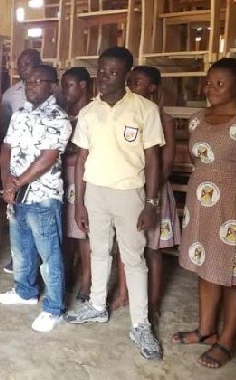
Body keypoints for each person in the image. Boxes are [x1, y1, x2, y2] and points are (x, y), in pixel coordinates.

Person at [63, 47, 164, 361]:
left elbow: (152, 158)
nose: (103, 77)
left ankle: (140, 324)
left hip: (129, 194)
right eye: (101, 70)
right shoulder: (90, 112)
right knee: (98, 250)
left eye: (111, 72)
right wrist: (80, 202)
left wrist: (150, 202)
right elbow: (81, 159)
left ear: (127, 75)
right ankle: (96, 306)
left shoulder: (145, 109)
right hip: (95, 192)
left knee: (134, 258)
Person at [171, 58, 236, 369]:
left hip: (232, 205)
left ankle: (226, 340)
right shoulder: (198, 119)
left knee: (232, 274)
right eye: (209, 82)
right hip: (202, 203)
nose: (210, 88)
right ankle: (206, 329)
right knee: (207, 268)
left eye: (219, 83)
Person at [0, 65, 72, 332]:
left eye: (38, 82)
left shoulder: (58, 117)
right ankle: (25, 292)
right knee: (20, 248)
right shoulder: (19, 114)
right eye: (28, 82)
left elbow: (47, 158)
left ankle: (54, 308)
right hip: (16, 193)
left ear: (52, 85)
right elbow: (6, 148)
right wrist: (7, 179)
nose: (31, 86)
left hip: (43, 196)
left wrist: (16, 183)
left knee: (49, 254)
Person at [110, 66, 181, 324]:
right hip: (128, 190)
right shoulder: (125, 113)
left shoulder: (164, 119)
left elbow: (167, 163)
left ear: (152, 88)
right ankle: (122, 294)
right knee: (126, 247)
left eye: (137, 83)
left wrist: (147, 192)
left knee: (152, 250)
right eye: (129, 81)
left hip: (153, 193)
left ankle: (152, 304)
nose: (131, 86)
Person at [0, 49, 43, 274]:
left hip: (43, 163)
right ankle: (19, 257)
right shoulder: (9, 95)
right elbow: (5, 130)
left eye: (29, 63)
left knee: (40, 215)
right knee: (16, 212)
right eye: (21, 64)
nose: (23, 67)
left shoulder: (52, 92)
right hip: (17, 161)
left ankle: (39, 260)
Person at [60, 67, 92, 303]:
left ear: (83, 85)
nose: (64, 90)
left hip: (82, 177)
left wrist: (59, 157)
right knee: (68, 231)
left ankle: (87, 281)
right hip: (63, 176)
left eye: (69, 85)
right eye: (63, 85)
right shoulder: (66, 110)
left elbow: (89, 153)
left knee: (83, 232)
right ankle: (69, 273)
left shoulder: (92, 111)